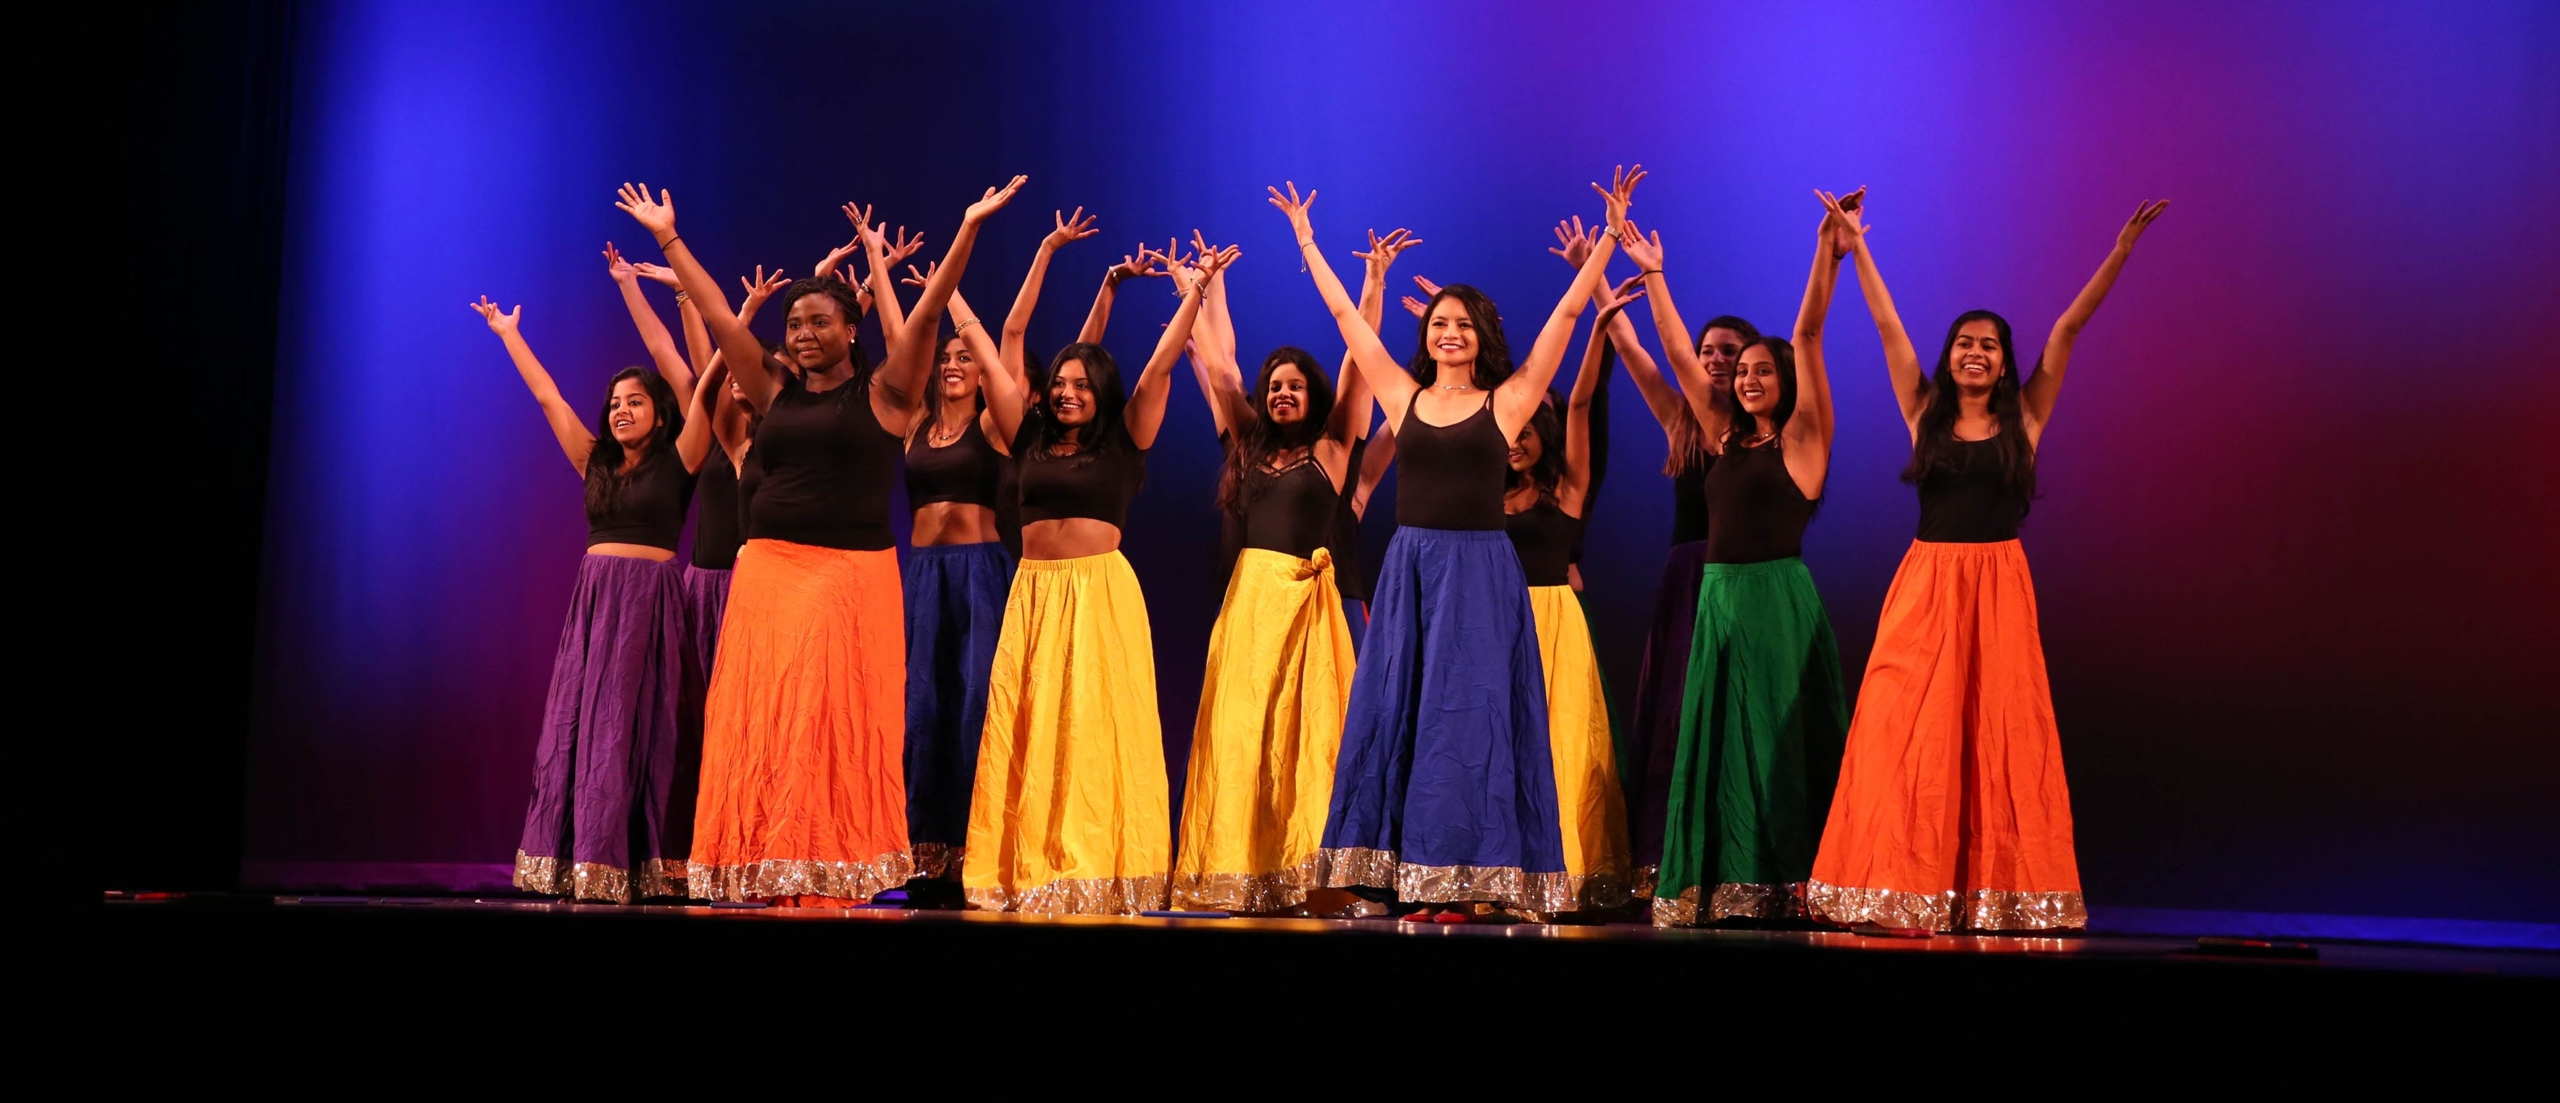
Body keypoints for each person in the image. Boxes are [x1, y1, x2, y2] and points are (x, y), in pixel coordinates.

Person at [614, 176, 1022, 905]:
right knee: (764, 717)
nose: (802, 334)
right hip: (770, 571)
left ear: (850, 328)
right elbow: (719, 317)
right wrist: (668, 238)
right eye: (795, 324)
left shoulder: (890, 393)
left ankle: (829, 866)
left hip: (852, 576)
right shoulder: (772, 391)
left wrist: (968, 228)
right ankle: (766, 863)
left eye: (818, 322)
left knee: (832, 722)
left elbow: (928, 315)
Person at [1271, 167, 1632, 921]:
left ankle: (1473, 879)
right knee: (1402, 711)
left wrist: (1605, 240)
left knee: (1470, 720)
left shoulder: (1508, 404)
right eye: (1440, 322)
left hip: (1478, 574)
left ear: (1481, 337)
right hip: (1412, 571)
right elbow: (1346, 320)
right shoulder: (1401, 396)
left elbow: (1566, 317)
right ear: (1427, 335)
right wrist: (1306, 239)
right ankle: (1412, 874)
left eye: (1463, 324)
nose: (1450, 332)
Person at [1807, 196, 2170, 932]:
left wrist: (2122, 250)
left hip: (1999, 585)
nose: (1976, 351)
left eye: (1991, 345)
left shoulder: (2026, 416)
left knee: (1997, 733)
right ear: (1950, 355)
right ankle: (1900, 885)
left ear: (2005, 362)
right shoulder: (1924, 409)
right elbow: (1886, 327)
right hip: (1928, 583)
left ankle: (1994, 891)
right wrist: (1858, 249)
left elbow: (2068, 328)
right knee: (1901, 728)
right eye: (1965, 342)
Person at [962, 238, 1231, 915]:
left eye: (1082, 384)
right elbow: (992, 351)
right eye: (1061, 383)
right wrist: (945, 290)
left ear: (1101, 392)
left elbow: (1160, 366)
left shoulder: (1124, 437)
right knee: (1030, 727)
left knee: (1093, 725)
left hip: (1100, 593)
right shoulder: (1024, 434)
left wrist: (1195, 292)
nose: (1068, 391)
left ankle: (1099, 867)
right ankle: (1027, 864)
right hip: (1033, 594)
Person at [1621, 190, 1855, 925]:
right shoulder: (1723, 437)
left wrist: (1828, 250)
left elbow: (1809, 331)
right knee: (1716, 745)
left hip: (1775, 599)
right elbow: (1678, 359)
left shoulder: (1803, 441)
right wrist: (1654, 276)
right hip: (1718, 599)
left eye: (1762, 369)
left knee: (1778, 743)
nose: (1747, 377)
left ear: (1784, 379)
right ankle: (1722, 882)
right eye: (1742, 370)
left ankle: (1789, 880)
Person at [1170, 228, 1415, 913]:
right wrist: (1203, 288)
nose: (1282, 394)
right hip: (1249, 606)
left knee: (1311, 742)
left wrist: (1373, 284)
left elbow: (1360, 363)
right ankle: (1240, 870)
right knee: (1244, 735)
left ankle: (1317, 877)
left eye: (1294, 385)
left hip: (1309, 608)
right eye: (1273, 386)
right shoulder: (1247, 449)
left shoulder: (1335, 447)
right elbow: (1220, 371)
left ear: (1312, 394)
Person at [471, 292, 715, 903]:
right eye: (614, 403)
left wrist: (703, 305)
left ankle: (643, 863)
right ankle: (584, 861)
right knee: (585, 730)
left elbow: (705, 389)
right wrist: (509, 336)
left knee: (646, 729)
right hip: (597, 606)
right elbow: (549, 397)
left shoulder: (682, 458)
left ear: (660, 414)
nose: (621, 411)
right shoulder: (595, 464)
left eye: (635, 402)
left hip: (652, 605)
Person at [1503, 276, 1649, 913]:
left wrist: (1596, 335)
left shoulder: (1565, 492)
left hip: (1555, 624)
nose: (1517, 439)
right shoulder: (1483, 498)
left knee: (1563, 744)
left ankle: (1565, 875)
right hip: (1496, 625)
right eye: (1512, 431)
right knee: (1498, 749)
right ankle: (1502, 873)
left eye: (1531, 430)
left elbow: (1584, 405)